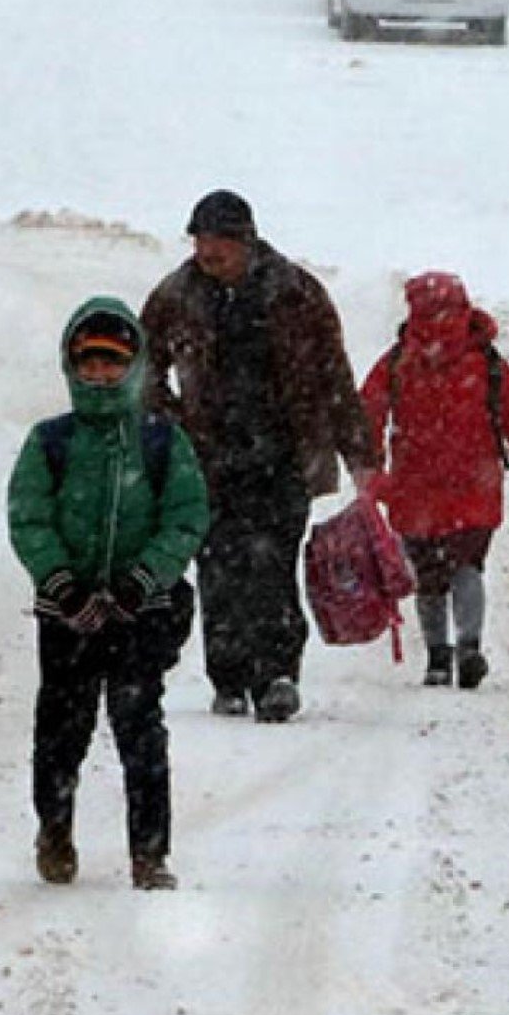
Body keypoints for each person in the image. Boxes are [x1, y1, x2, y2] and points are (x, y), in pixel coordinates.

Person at [140, 189, 379, 723]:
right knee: (219, 566)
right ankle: (228, 676)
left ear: (245, 240)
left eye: (217, 243)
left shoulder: (297, 293)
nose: (206, 253)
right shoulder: (176, 295)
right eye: (199, 241)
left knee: (272, 566)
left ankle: (276, 675)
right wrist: (167, 426)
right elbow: (142, 371)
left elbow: (334, 376)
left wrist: (359, 453)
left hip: (283, 456)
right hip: (207, 460)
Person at [7, 297, 209, 890]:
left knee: (139, 727)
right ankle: (55, 830)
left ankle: (149, 853)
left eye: (112, 364)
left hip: (137, 614)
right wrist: (61, 583)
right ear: (71, 366)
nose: (100, 375)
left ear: (136, 367)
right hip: (65, 615)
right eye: (89, 363)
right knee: (60, 729)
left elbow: (186, 516)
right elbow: (29, 518)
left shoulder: (162, 443)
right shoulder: (49, 441)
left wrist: (142, 579)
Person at [359, 271, 509, 689]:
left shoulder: (398, 362)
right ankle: (469, 646)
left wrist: (369, 466)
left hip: (416, 485)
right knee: (467, 566)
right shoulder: (486, 362)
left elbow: (367, 413)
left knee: (428, 576)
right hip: (473, 484)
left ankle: (438, 656)